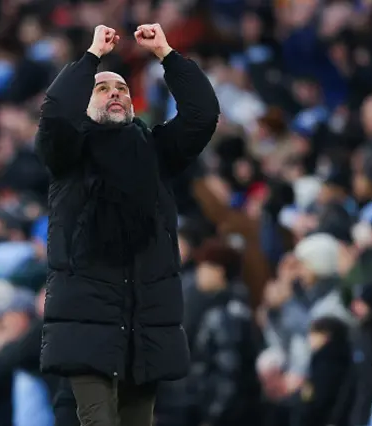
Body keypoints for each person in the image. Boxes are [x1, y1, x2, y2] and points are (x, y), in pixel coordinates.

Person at [36, 23, 219, 426]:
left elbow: (202, 114)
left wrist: (167, 54)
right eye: (101, 88)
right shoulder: (69, 157)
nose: (114, 92)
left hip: (145, 320)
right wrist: (90, 59)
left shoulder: (156, 153)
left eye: (120, 88)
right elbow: (54, 116)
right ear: (84, 103)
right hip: (87, 321)